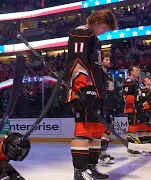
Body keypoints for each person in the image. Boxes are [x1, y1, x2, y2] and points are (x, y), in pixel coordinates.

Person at [60, 9, 117, 180]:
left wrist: (101, 90)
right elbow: (77, 62)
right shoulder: (81, 33)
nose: (105, 31)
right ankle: (80, 172)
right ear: (98, 21)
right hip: (85, 90)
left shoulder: (94, 39)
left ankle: (91, 168)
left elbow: (94, 67)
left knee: (96, 131)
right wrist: (83, 89)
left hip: (96, 92)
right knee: (83, 131)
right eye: (105, 27)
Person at [122, 65, 146, 155]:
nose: (138, 71)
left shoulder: (135, 82)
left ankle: (145, 146)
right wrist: (136, 100)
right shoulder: (129, 82)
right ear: (131, 72)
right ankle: (131, 148)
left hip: (138, 108)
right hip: (132, 108)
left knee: (141, 126)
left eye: (138, 70)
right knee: (133, 127)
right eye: (136, 70)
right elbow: (125, 97)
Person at [99, 54, 115, 165]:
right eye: (106, 59)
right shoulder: (98, 73)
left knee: (108, 130)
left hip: (110, 104)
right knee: (101, 130)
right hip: (102, 104)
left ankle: (103, 152)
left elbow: (111, 89)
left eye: (109, 59)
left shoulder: (110, 75)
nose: (108, 61)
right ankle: (99, 154)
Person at [141, 77, 151, 143]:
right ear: (144, 82)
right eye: (148, 79)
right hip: (146, 110)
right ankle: (147, 144)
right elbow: (142, 101)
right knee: (147, 126)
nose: (150, 80)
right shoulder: (142, 90)